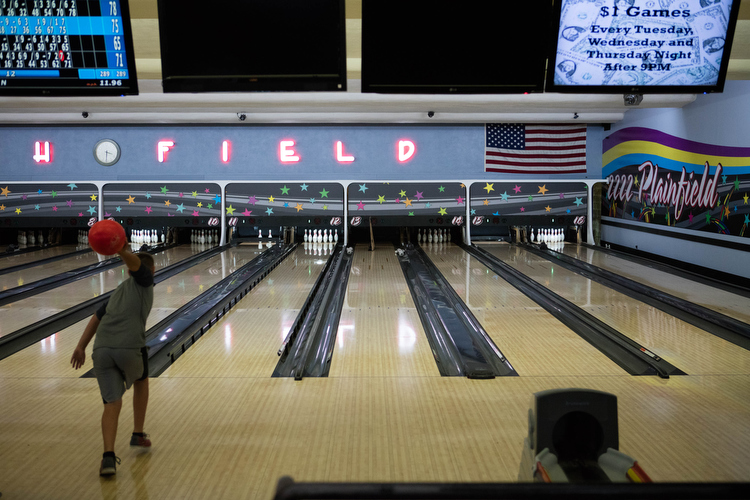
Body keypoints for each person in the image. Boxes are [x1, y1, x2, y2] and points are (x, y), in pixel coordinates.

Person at [71, 246, 156, 477]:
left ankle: (108, 457)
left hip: (101, 350)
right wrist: (121, 249)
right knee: (142, 378)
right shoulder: (146, 281)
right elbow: (138, 265)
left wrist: (81, 346)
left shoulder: (118, 292)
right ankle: (138, 433)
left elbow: (97, 317)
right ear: (152, 271)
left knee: (111, 404)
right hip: (128, 347)